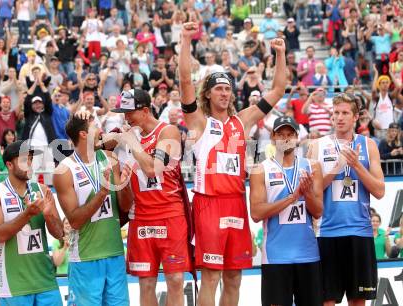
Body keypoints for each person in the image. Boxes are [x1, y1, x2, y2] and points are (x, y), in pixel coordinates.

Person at [178, 22, 286, 306]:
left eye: (228, 88)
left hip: (236, 201)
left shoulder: (242, 121)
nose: (225, 93)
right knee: (211, 276)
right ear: (209, 94)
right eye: (219, 89)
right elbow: (185, 82)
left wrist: (280, 54)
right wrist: (186, 40)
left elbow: (278, 89)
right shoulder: (199, 123)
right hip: (208, 204)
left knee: (234, 276)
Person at [109, 89, 192, 306]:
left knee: (175, 280)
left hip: (170, 214)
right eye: (123, 113)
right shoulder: (128, 136)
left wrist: (131, 142)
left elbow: (153, 169)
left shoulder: (168, 131)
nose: (126, 117)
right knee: (146, 284)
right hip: (141, 218)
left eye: (129, 113)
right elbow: (97, 145)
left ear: (145, 111)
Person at [307, 93, 385, 305]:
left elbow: (379, 191)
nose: (339, 118)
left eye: (345, 113)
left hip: (359, 232)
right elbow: (312, 192)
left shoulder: (368, 146)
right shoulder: (317, 145)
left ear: (355, 117)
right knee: (326, 301)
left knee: (358, 301)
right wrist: (337, 167)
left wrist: (356, 165)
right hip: (327, 233)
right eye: (336, 113)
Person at [53, 114, 131, 306]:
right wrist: (103, 191)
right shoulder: (64, 171)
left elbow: (125, 207)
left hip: (114, 253)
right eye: (95, 126)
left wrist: (125, 185)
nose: (100, 130)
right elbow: (75, 221)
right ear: (83, 134)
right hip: (86, 257)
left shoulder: (110, 157)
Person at [250, 116, 323, 306]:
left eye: (290, 134)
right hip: (275, 256)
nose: (286, 138)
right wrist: (292, 198)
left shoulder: (312, 166)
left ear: (297, 137)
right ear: (273, 137)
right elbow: (256, 213)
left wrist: (306, 194)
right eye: (281, 134)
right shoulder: (261, 169)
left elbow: (318, 212)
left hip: (307, 253)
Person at [0, 140, 64, 305]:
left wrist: (49, 216)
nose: (29, 164)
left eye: (30, 159)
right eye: (23, 159)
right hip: (14, 285)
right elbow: (0, 235)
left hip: (45, 281)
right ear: (9, 165)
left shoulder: (42, 190)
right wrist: (27, 214)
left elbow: (60, 234)